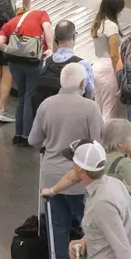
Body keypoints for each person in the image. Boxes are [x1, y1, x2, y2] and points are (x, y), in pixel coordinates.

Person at [29, 62, 103, 259]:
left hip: (51, 179)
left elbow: (33, 140)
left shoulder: (46, 105)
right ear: (83, 83)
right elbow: (98, 143)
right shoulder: (91, 108)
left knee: (57, 231)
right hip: (81, 179)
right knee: (91, 228)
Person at [61, 140, 131, 259]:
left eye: (74, 162)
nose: (72, 166)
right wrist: (86, 239)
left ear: (81, 169)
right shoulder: (115, 184)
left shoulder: (102, 202)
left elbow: (123, 250)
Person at [0, 7, 53, 142]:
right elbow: (47, 27)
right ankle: (27, 135)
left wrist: (11, 50)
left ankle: (18, 134)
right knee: (29, 97)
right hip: (32, 62)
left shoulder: (10, 23)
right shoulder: (40, 14)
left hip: (14, 63)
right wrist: (50, 48)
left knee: (21, 96)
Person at [42, 119, 131, 197]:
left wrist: (52, 190)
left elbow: (72, 177)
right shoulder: (125, 164)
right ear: (120, 142)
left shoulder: (95, 156)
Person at [91, 0, 125, 121]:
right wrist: (119, 74)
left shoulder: (97, 23)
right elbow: (114, 55)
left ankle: (97, 137)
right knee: (109, 108)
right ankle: (107, 139)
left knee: (99, 106)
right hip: (109, 68)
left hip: (97, 65)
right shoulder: (111, 26)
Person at [49, 20, 95, 99]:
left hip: (49, 109)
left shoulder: (45, 63)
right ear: (74, 37)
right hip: (75, 109)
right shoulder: (82, 64)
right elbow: (89, 94)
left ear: (55, 38)